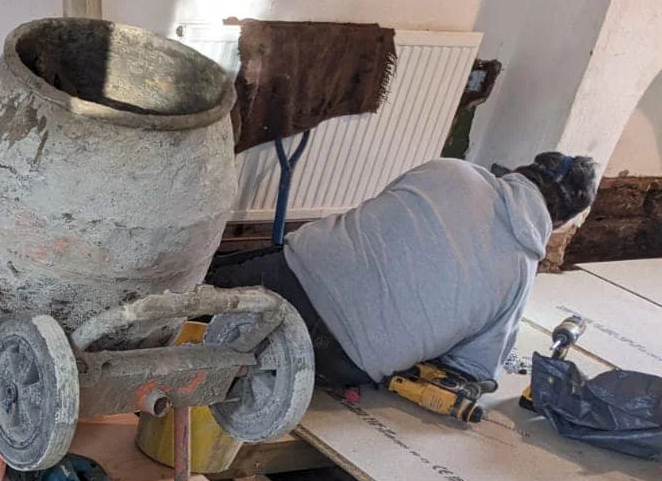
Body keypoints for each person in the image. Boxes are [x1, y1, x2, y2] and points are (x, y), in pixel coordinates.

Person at [205, 152, 598, 388]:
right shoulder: (519, 277)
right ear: (561, 223)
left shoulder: (451, 171)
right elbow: (473, 370)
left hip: (291, 278)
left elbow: (382, 215)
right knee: (246, 365)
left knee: (190, 292)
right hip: (340, 359)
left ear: (520, 171)